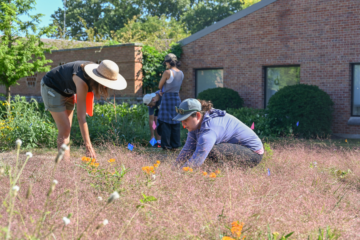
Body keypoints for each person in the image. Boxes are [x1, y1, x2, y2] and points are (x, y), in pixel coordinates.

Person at [40, 60, 127, 161]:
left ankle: (65, 165)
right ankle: (65, 167)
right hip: (51, 87)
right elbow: (81, 117)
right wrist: (88, 147)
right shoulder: (82, 82)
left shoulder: (91, 80)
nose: (106, 86)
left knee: (66, 130)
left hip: (67, 91)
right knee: (65, 128)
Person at [172, 99, 264, 169]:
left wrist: (179, 174)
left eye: (185, 120)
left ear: (198, 115)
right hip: (235, 148)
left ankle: (222, 178)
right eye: (181, 120)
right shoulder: (196, 125)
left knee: (210, 151)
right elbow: (188, 149)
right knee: (200, 148)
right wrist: (174, 169)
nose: (183, 124)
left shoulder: (209, 129)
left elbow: (198, 159)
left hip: (253, 154)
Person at [157, 53, 184, 150]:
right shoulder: (181, 73)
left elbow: (160, 86)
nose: (166, 64)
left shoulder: (167, 72)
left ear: (169, 62)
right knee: (175, 121)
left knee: (165, 122)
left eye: (166, 63)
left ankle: (166, 145)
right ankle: (175, 145)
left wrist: (161, 90)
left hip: (167, 98)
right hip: (176, 98)